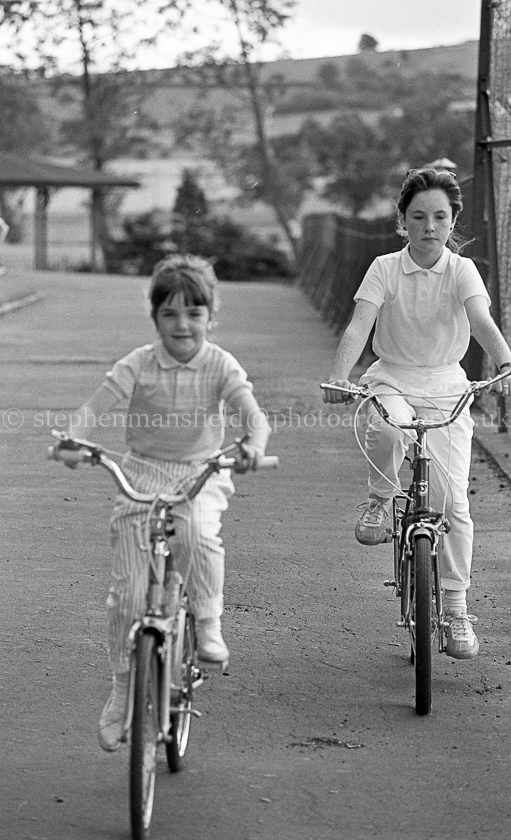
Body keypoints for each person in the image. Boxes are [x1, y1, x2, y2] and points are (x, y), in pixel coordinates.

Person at [66, 254, 271, 751]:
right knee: (129, 595)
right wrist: (72, 440)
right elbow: (95, 408)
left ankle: (206, 623)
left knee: (198, 531)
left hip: (200, 474)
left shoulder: (221, 364)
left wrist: (252, 446)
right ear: (154, 317)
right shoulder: (138, 363)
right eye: (170, 314)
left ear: (210, 316)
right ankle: (120, 690)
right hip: (142, 473)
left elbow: (253, 414)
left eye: (194, 314)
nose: (183, 325)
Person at [322, 167, 511, 662]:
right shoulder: (384, 267)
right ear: (403, 222)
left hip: (447, 383)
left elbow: (481, 320)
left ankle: (455, 608)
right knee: (384, 424)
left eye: (440, 217)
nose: (430, 226)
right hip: (393, 377)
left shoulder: (461, 270)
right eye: (419, 217)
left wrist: (506, 362)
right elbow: (359, 324)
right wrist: (342, 377)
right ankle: (381, 499)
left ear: (453, 223)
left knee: (454, 505)